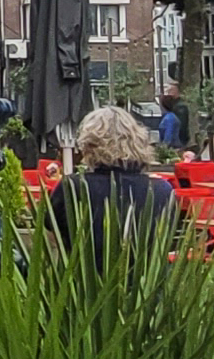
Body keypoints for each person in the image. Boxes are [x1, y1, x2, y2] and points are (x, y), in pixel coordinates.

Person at [46, 105, 182, 270]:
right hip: (146, 288)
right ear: (138, 141)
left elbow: (53, 238)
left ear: (88, 145)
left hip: (83, 287)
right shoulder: (162, 191)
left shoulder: (73, 187)